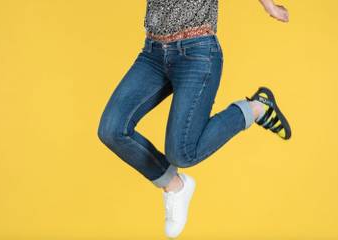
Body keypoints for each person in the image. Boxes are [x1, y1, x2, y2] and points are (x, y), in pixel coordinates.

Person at [97, 0, 291, 238]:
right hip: (153, 53)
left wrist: (269, 6)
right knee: (111, 129)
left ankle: (257, 108)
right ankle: (174, 185)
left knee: (181, 153)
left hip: (197, 53)